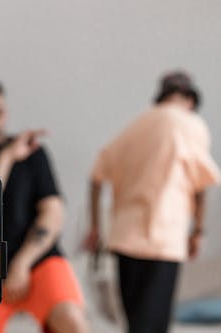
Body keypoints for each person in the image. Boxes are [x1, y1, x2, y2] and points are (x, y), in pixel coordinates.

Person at [0, 78, 87, 333]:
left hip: (37, 259)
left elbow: (53, 213)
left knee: (72, 322)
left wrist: (21, 263)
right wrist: (8, 156)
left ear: (6, 113)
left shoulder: (34, 154)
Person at [84, 71, 220, 333]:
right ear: (190, 99)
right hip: (163, 238)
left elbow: (96, 176)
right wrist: (198, 231)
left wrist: (95, 228)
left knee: (135, 323)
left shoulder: (136, 125)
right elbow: (201, 186)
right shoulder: (191, 124)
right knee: (154, 325)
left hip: (124, 237)